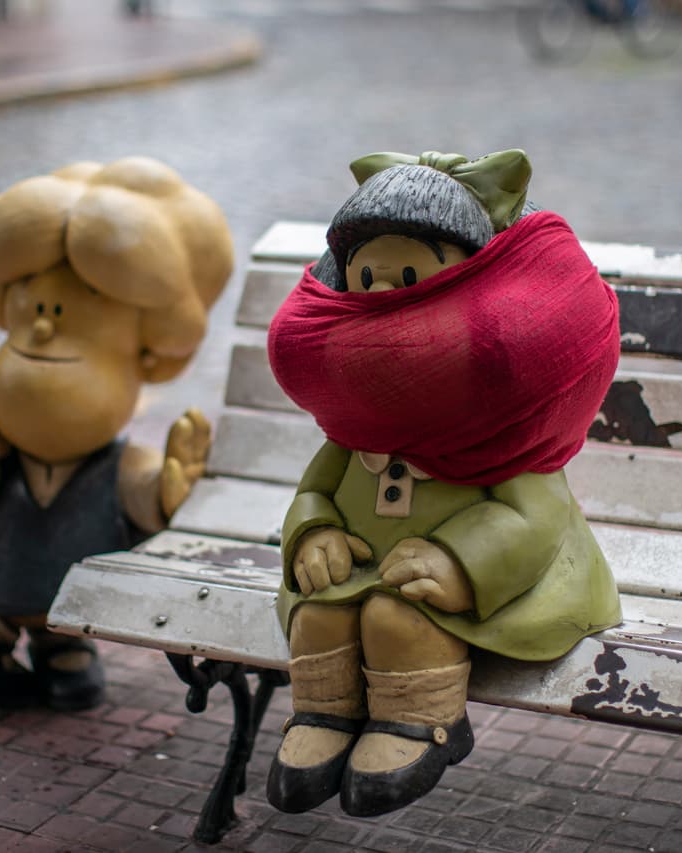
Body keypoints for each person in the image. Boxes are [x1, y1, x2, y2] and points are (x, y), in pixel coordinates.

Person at [265, 150, 621, 816]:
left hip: (482, 584)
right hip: (363, 567)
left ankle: (419, 720)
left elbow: (534, 516)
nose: (390, 300)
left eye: (410, 275)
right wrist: (313, 532)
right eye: (371, 278)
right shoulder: (358, 423)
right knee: (318, 614)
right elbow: (316, 489)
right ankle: (323, 713)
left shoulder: (503, 430)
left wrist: (461, 559)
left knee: (399, 618)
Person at [0, 157, 231, 711]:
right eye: (33, 300)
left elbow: (147, 498)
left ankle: (58, 647)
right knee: (8, 662)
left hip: (69, 594)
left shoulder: (115, 464)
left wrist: (170, 486)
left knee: (74, 680)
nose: (43, 323)